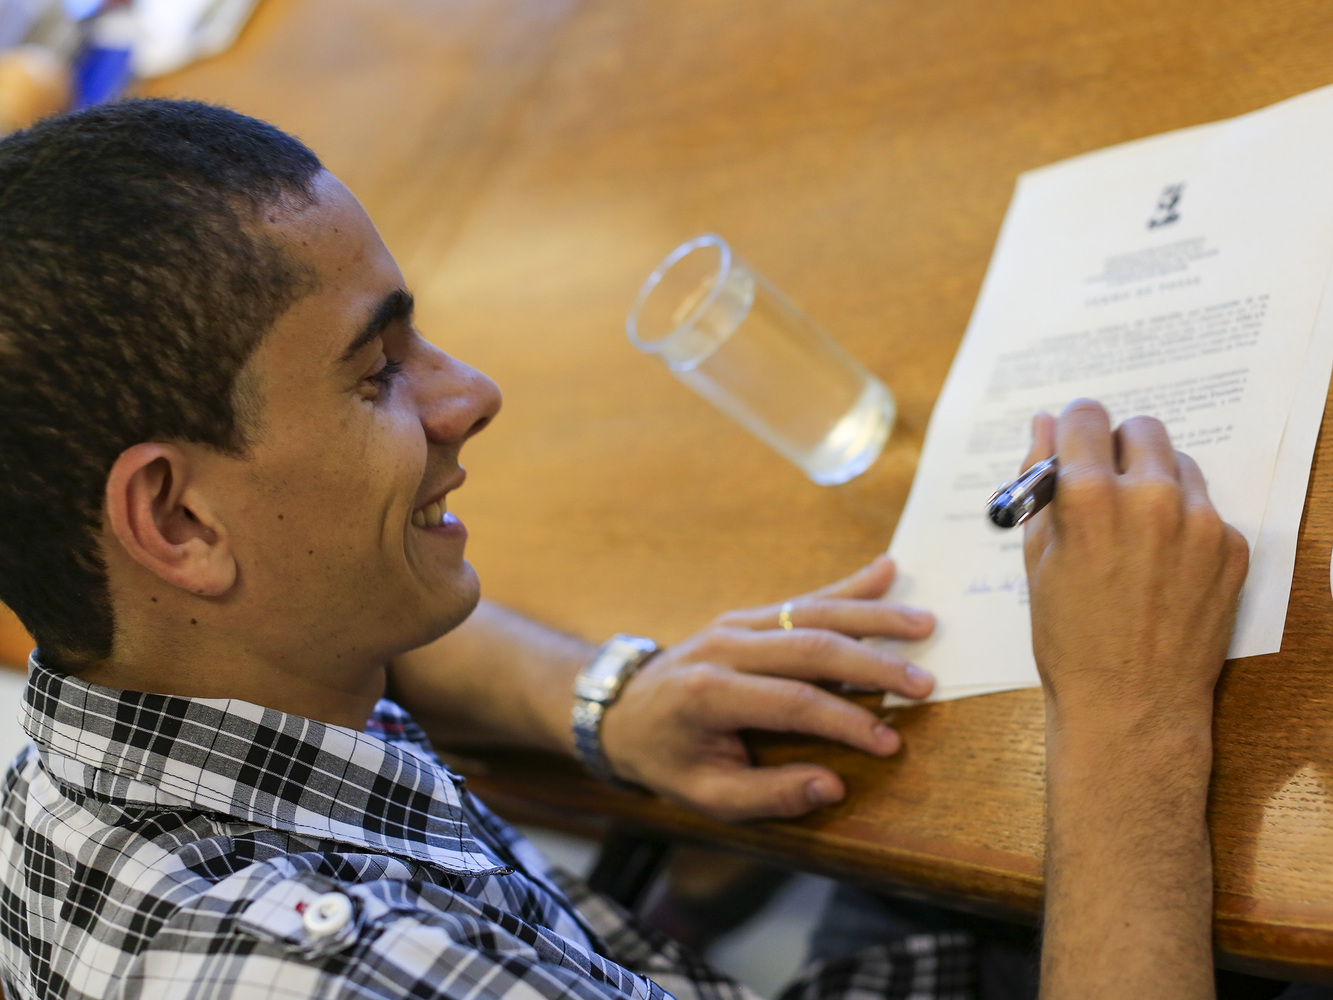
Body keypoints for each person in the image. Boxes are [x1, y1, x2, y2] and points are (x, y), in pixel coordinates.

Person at [0, 99, 1249, 1000]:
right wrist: (1129, 723)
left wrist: (607, 698)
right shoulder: (349, 971)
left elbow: (311, 627)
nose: (470, 393)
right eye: (376, 371)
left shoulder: (137, 683)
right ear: (176, 520)